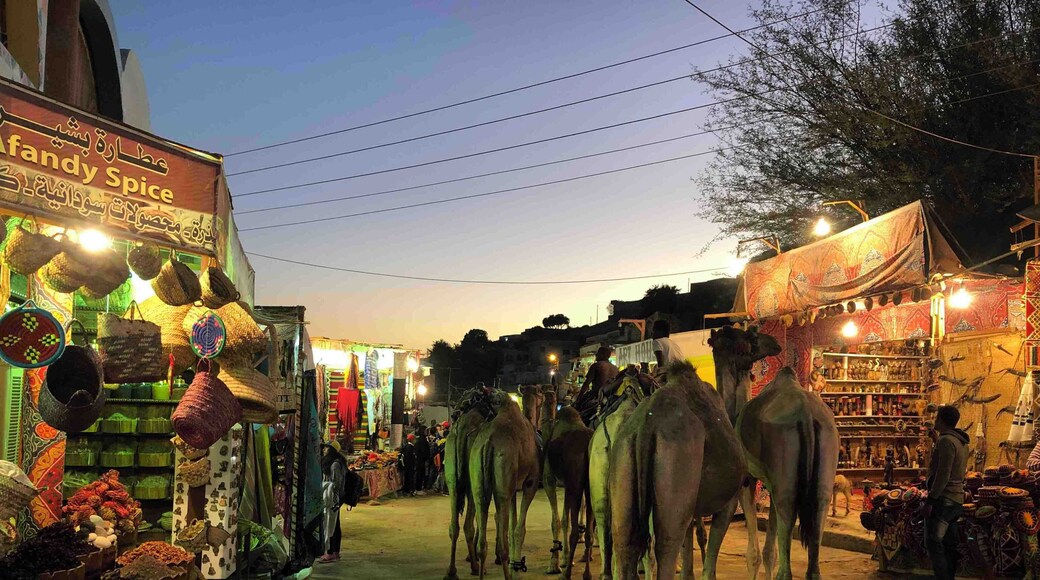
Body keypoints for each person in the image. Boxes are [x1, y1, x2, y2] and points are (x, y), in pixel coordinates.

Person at [923, 405, 969, 580]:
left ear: (942, 420)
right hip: (956, 499)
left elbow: (943, 475)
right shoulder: (960, 441)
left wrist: (930, 500)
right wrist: (936, 440)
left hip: (944, 499)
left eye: (937, 418)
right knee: (949, 545)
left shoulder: (946, 441)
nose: (934, 420)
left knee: (934, 543)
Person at [318, 441, 347, 563]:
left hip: (333, 498)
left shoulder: (335, 464)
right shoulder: (336, 462)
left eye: (327, 448)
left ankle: (330, 553)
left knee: (331, 523)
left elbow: (336, 484)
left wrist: (326, 487)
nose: (324, 450)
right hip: (334, 498)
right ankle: (335, 552)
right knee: (335, 524)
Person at [574, 346, 619, 414]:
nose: (596, 355)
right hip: (611, 396)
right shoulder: (615, 368)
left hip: (596, 395)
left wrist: (579, 398)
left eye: (598, 353)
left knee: (578, 410)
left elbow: (586, 383)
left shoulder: (596, 366)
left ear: (603, 355)